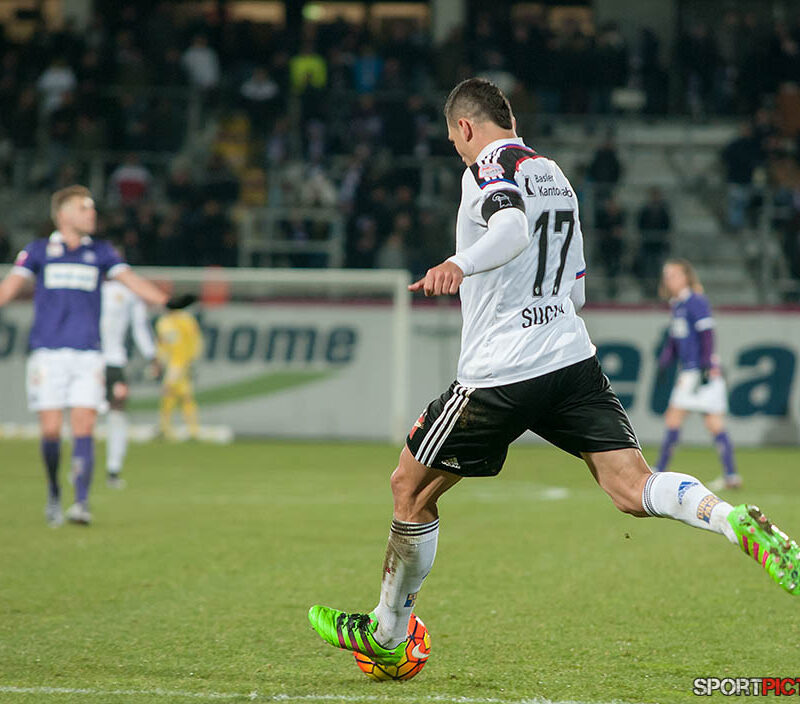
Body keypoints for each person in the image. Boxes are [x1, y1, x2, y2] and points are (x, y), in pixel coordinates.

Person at [307, 78, 799, 667]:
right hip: (570, 356)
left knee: (407, 488)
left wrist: (457, 264)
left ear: (465, 127)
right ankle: (729, 520)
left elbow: (511, 230)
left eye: (453, 140)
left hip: (502, 371)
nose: (458, 152)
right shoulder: (554, 173)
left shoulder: (486, 167)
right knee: (632, 486)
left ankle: (388, 634)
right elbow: (578, 284)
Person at [0, 185, 168, 525]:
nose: (91, 214)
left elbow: (132, 280)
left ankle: (80, 502)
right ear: (62, 215)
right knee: (50, 432)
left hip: (89, 354)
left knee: (85, 426)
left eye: (91, 208)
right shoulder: (38, 251)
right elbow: (8, 288)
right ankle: (53, 492)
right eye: (83, 208)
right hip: (47, 354)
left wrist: (167, 302)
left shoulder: (102, 253)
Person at [654, 259, 742, 490]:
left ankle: (658, 471)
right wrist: (665, 361)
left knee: (679, 419)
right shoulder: (678, 304)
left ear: (685, 277)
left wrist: (705, 365)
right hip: (693, 371)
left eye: (673, 274)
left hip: (699, 371)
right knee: (712, 423)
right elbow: (675, 339)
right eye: (666, 275)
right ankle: (731, 475)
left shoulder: (696, 301)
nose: (668, 279)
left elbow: (707, 334)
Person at [100, 278, 158, 489]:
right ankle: (79, 466)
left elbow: (140, 327)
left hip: (115, 361)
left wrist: (152, 356)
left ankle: (113, 470)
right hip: (88, 361)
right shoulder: (88, 285)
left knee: (117, 413)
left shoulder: (130, 292)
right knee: (83, 416)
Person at [156, 298, 202, 440]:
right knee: (175, 395)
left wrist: (192, 360)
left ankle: (190, 430)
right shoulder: (164, 323)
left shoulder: (186, 321)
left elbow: (195, 341)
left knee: (180, 395)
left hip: (181, 363)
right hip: (172, 364)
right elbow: (162, 344)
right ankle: (168, 428)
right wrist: (159, 361)